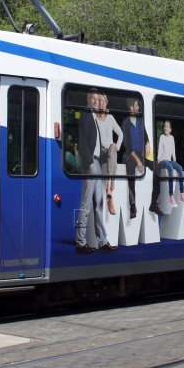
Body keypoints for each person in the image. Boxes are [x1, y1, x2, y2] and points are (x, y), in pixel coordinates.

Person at [75, 90, 118, 253]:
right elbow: (83, 141)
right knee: (86, 204)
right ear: (88, 99)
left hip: (98, 163)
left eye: (97, 99)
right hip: (91, 164)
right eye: (92, 98)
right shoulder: (86, 114)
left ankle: (102, 241)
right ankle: (80, 242)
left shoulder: (94, 116)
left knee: (99, 204)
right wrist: (89, 163)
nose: (95, 101)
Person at [95, 93, 123, 217]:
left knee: (112, 149)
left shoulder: (110, 118)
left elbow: (121, 134)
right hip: (100, 153)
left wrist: (118, 145)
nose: (102, 103)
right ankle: (110, 192)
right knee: (113, 157)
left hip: (110, 153)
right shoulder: (95, 118)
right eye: (100, 101)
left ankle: (109, 189)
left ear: (106, 103)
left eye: (104, 101)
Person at [121, 99, 148, 218]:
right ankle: (133, 205)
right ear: (131, 107)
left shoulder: (140, 121)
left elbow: (146, 136)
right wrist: (138, 161)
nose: (138, 108)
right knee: (131, 169)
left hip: (141, 153)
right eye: (136, 105)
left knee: (156, 166)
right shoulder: (126, 124)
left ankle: (154, 203)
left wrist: (147, 144)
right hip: (131, 155)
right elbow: (128, 147)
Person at [154, 120, 184, 210]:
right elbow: (160, 149)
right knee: (170, 168)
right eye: (165, 126)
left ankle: (182, 194)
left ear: (170, 129)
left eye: (167, 126)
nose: (165, 128)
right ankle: (171, 196)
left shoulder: (172, 138)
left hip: (169, 160)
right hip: (162, 161)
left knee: (180, 168)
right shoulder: (162, 137)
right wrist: (158, 160)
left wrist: (175, 162)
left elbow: (173, 151)